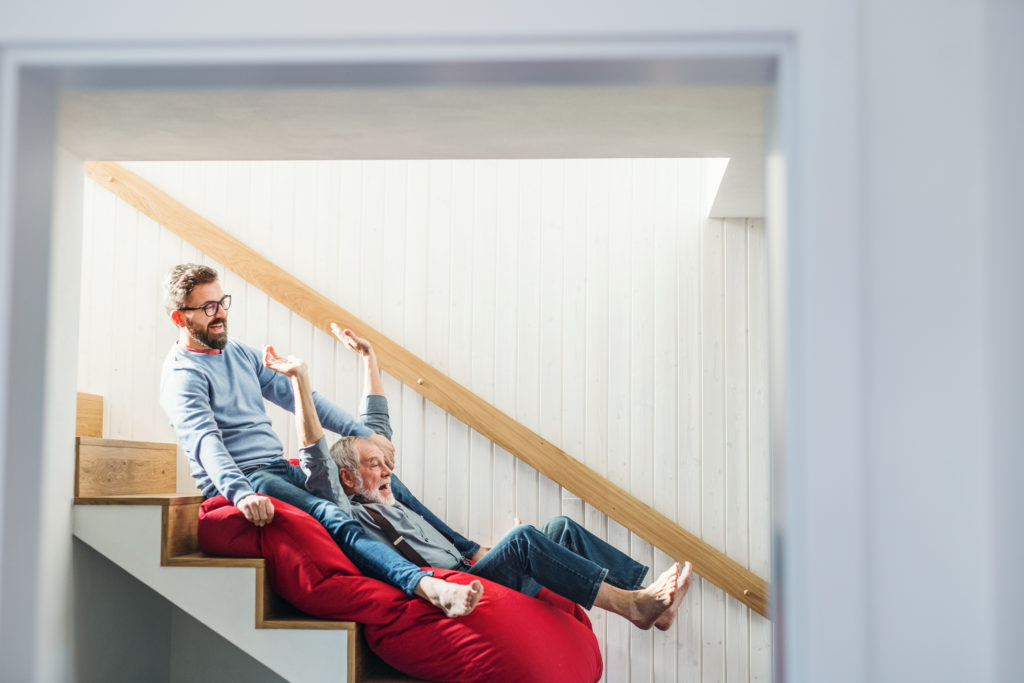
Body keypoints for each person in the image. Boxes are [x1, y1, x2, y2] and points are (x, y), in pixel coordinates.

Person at [269, 323, 692, 631]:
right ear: (346, 478)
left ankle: (651, 603)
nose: (387, 468)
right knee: (523, 538)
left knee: (561, 527)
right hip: (464, 587)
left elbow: (375, 423)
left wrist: (369, 358)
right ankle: (633, 607)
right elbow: (314, 454)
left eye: (385, 461)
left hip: (472, 566)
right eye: (374, 464)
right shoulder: (344, 507)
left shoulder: (387, 491)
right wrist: (300, 381)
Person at [158, 263, 482, 618]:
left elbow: (299, 395)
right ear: (179, 318)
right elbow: (207, 443)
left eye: (222, 302)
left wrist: (364, 434)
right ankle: (427, 586)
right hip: (246, 477)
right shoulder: (183, 376)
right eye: (208, 308)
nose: (220, 314)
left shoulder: (238, 351)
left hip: (276, 468)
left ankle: (468, 551)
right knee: (331, 512)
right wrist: (241, 493)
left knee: (377, 477)